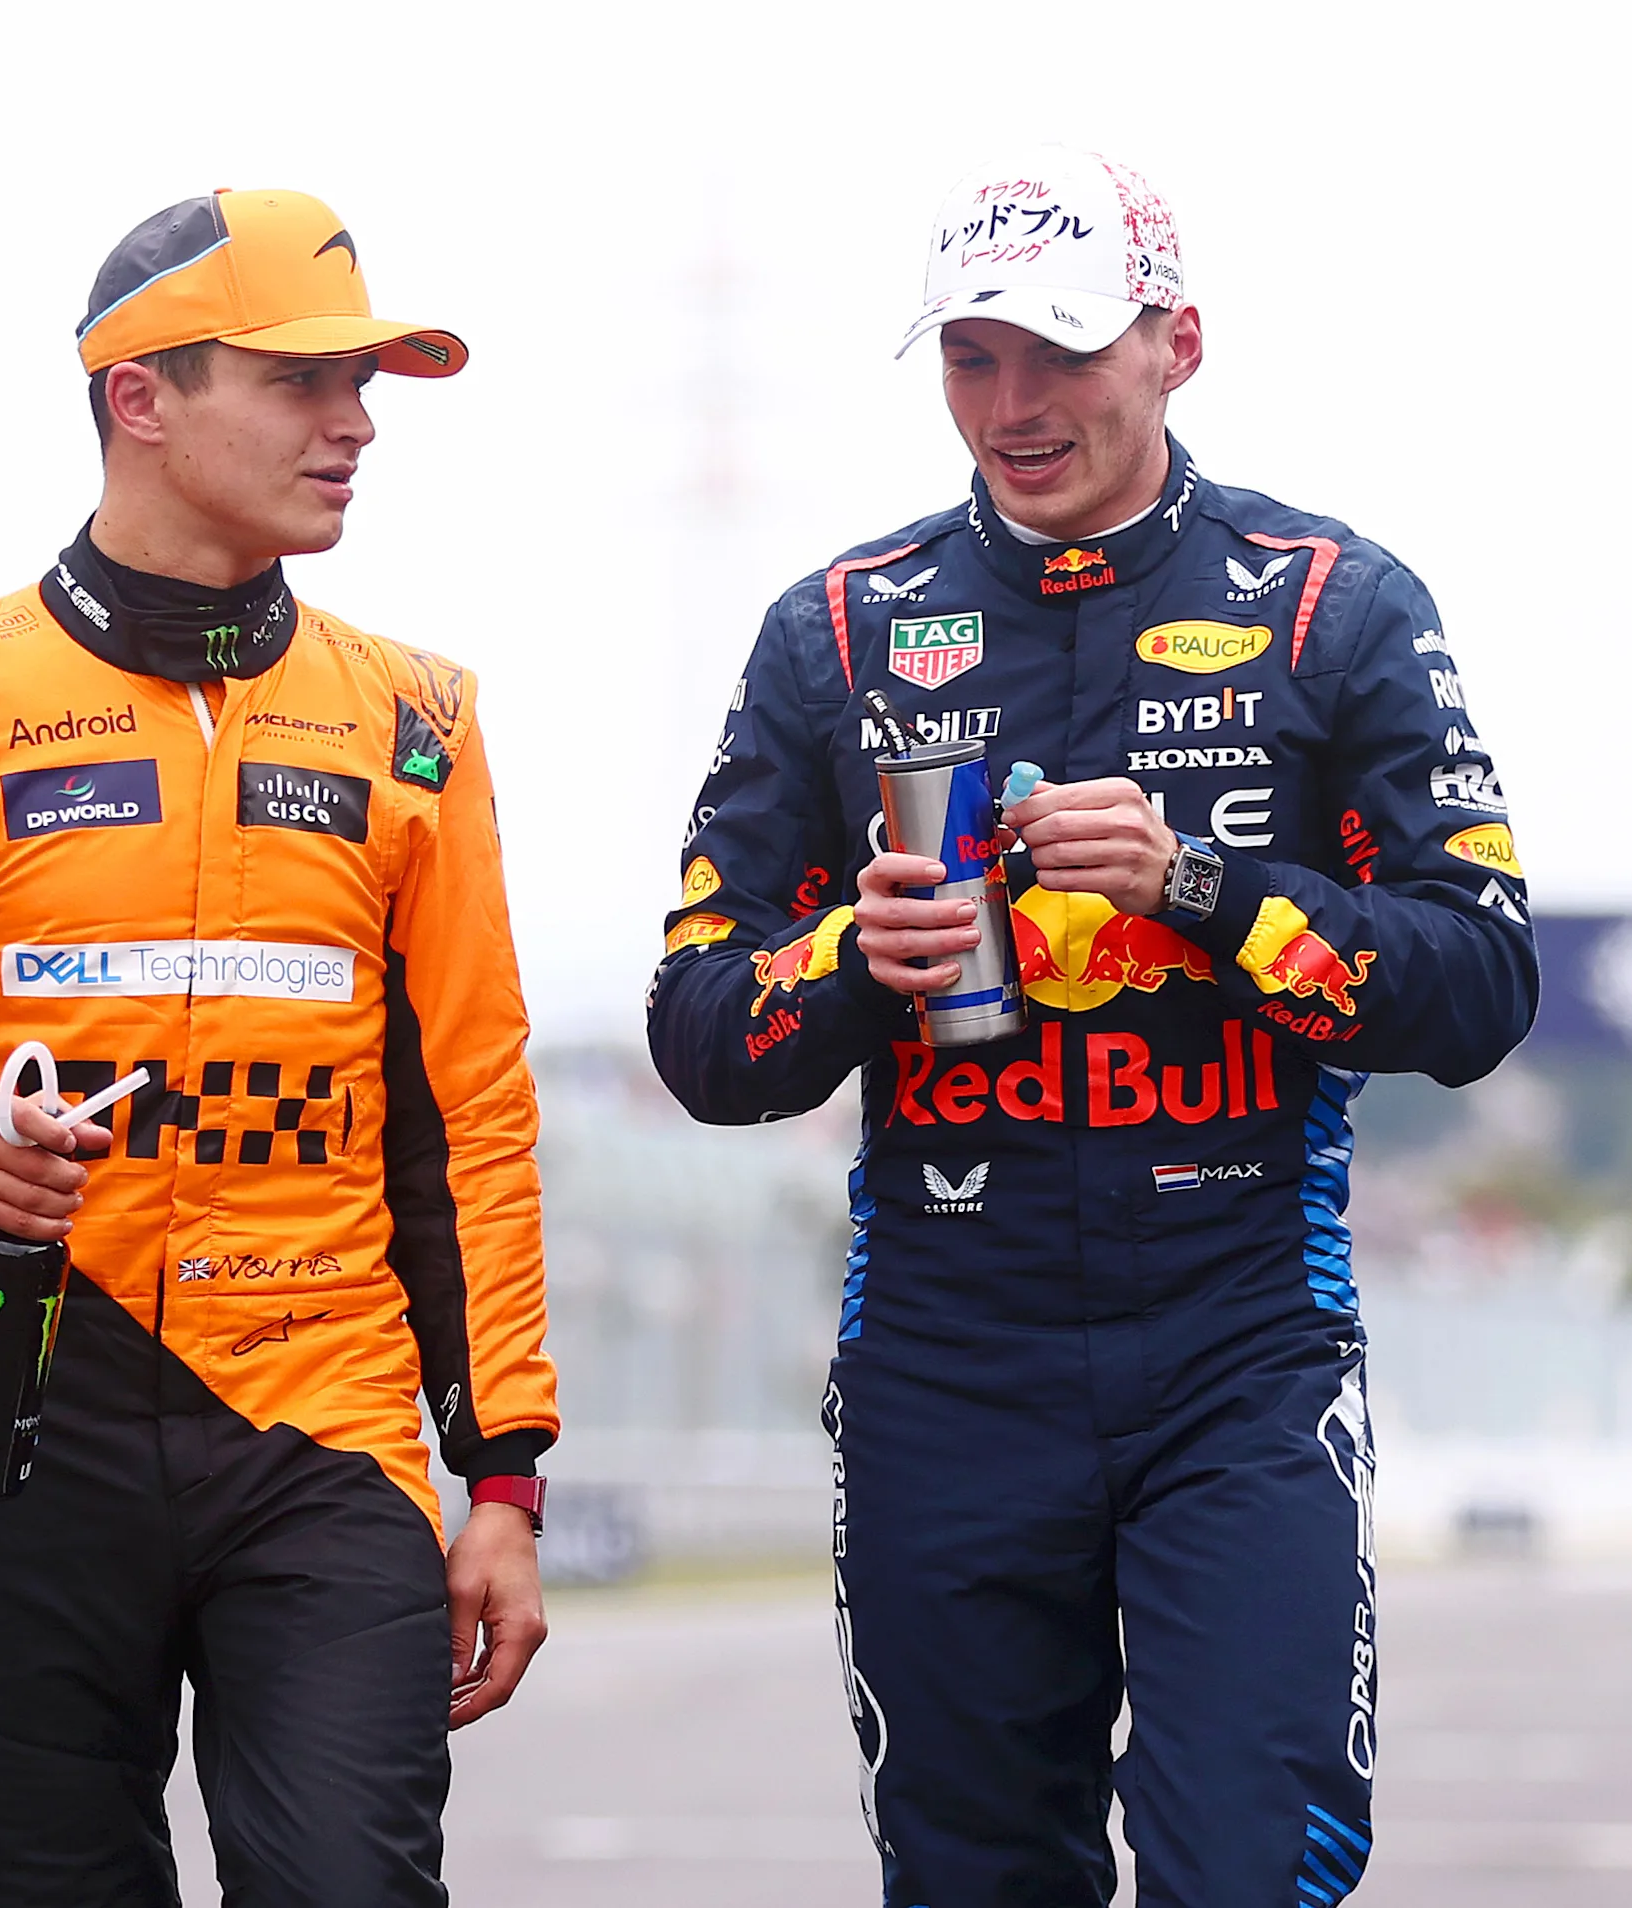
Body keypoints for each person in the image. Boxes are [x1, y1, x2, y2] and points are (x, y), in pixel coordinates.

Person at [645, 149, 1536, 1905]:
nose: (1015, 401)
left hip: (1239, 1353)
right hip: (946, 1361)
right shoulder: (836, 630)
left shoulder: (1334, 606)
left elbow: (1483, 981)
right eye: (974, 357)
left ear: (1174, 344)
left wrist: (1203, 891)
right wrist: (847, 956)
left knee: (1249, 1869)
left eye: (1059, 350)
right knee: (975, 1880)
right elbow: (695, 1030)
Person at [0, 187, 559, 1906]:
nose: (358, 422)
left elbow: (471, 1117)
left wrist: (507, 1479)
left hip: (320, 1422)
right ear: (140, 398)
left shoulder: (419, 720)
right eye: (305, 380)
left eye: (369, 381)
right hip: (17, 1403)